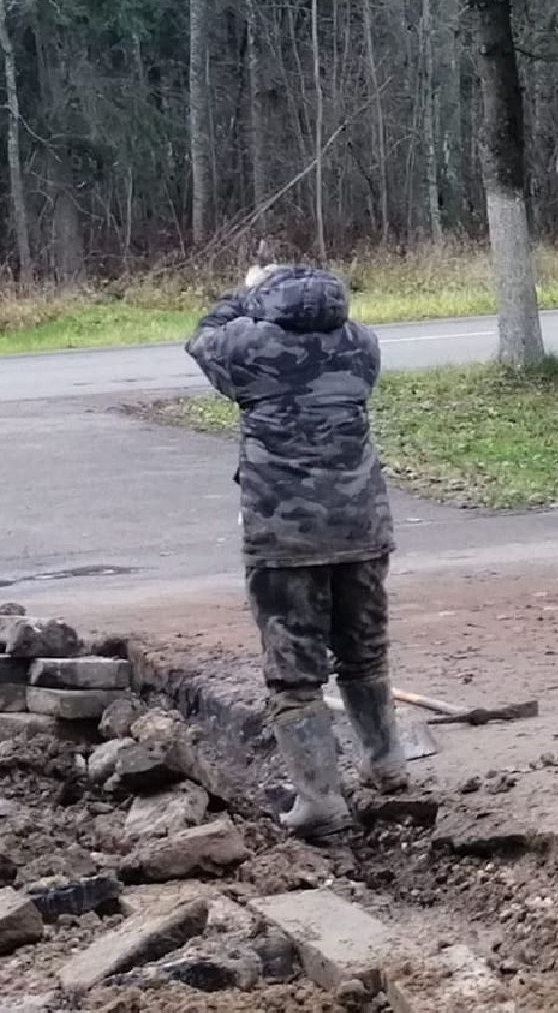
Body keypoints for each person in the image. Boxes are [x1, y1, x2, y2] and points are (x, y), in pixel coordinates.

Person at [185, 263, 406, 840]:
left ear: (268, 298)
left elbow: (202, 336)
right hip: (360, 524)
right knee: (364, 653)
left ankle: (320, 802)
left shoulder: (249, 344)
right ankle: (386, 764)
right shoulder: (362, 345)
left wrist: (244, 289)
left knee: (294, 677)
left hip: (284, 536)